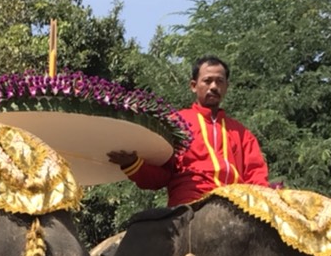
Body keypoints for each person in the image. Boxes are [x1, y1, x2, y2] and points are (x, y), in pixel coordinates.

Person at [107, 56, 269, 205]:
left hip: (237, 203)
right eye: (207, 81)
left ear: (226, 86)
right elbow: (161, 174)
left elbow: (257, 176)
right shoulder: (175, 123)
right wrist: (134, 165)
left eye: (219, 81)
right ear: (193, 86)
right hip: (189, 204)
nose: (214, 86)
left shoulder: (242, 133)